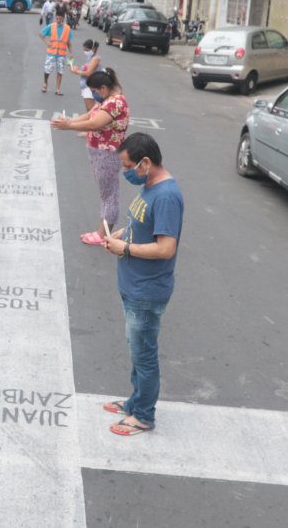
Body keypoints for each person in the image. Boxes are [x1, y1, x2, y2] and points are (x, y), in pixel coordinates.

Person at [100, 132, 184, 437]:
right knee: (137, 352)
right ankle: (135, 402)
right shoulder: (149, 187)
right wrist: (123, 233)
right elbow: (143, 223)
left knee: (144, 355)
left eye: (128, 166)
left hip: (146, 291)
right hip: (133, 285)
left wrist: (125, 249)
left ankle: (144, 415)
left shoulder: (166, 196)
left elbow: (166, 248)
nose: (126, 173)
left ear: (145, 163)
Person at [51, 68, 129, 246]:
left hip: (108, 153)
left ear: (103, 88)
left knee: (109, 195)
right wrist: (69, 121)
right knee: (106, 194)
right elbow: (90, 115)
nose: (93, 95)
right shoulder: (107, 100)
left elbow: (94, 124)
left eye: (94, 91)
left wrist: (69, 126)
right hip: (99, 152)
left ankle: (103, 234)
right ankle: (102, 232)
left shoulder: (116, 102)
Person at [39, 4, 72, 95]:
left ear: (63, 18)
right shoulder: (51, 26)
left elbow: (69, 42)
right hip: (51, 53)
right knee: (47, 70)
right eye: (57, 18)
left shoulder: (67, 28)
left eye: (60, 19)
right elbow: (41, 34)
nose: (58, 20)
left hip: (61, 54)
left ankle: (58, 89)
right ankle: (45, 82)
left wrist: (71, 53)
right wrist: (47, 42)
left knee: (60, 72)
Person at [69, 39, 102, 112]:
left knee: (91, 109)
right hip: (85, 86)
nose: (85, 52)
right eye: (84, 50)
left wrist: (77, 71)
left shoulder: (95, 58)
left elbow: (88, 73)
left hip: (91, 86)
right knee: (89, 108)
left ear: (93, 49)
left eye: (86, 50)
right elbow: (83, 71)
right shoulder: (90, 58)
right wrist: (74, 68)